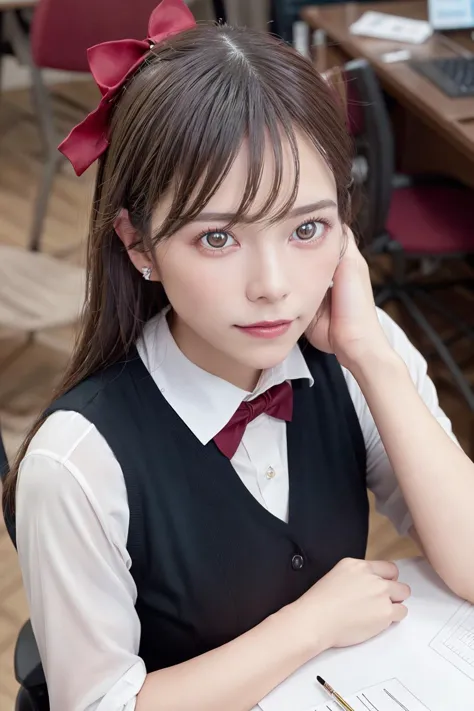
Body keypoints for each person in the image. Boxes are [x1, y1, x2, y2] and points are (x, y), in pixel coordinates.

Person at [3, 1, 474, 710]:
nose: (274, 287)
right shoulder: (78, 463)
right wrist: (309, 624)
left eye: (307, 227)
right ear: (138, 244)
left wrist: (371, 357)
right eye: (218, 238)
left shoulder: (355, 353)